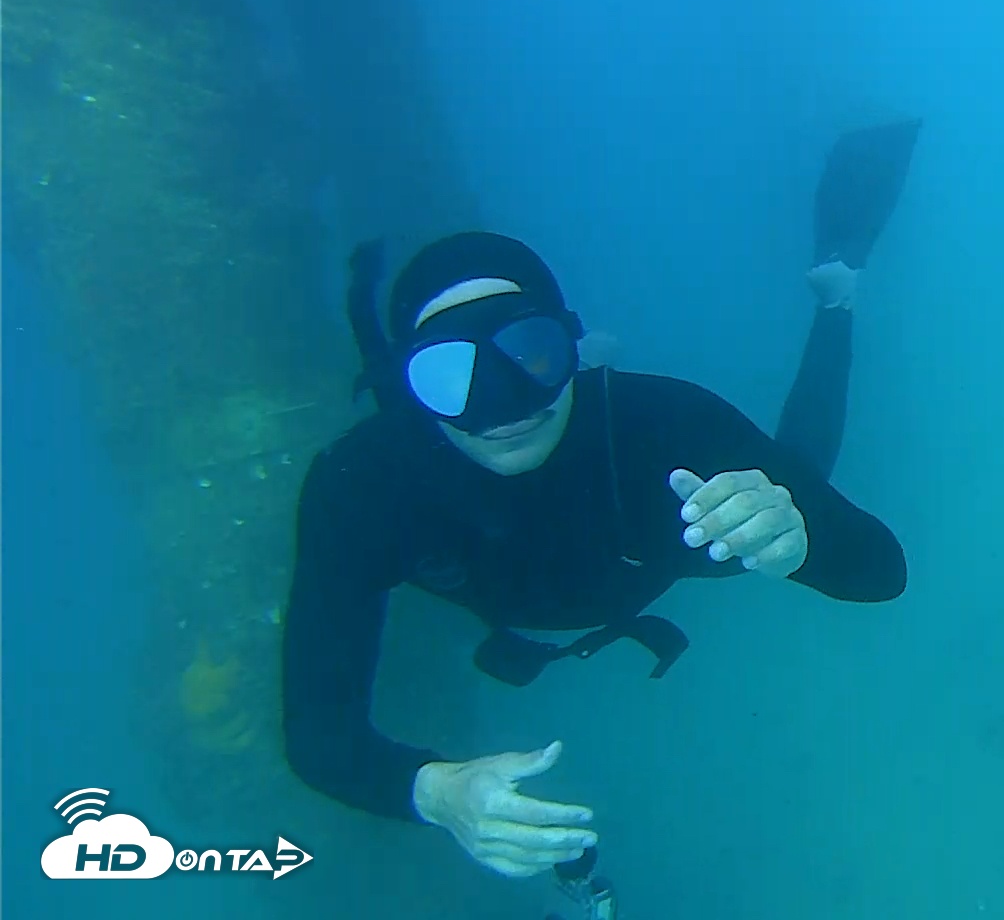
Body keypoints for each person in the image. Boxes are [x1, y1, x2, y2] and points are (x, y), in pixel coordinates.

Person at [279, 120, 923, 919]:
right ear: (413, 385)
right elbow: (316, 732)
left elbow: (880, 571)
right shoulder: (362, 484)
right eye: (448, 374)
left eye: (530, 355)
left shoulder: (665, 426)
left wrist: (798, 539)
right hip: (507, 554)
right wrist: (439, 792)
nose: (501, 406)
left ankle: (838, 297)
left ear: (570, 347)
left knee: (794, 480)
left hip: (662, 539)